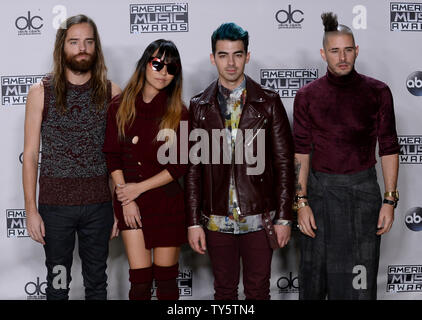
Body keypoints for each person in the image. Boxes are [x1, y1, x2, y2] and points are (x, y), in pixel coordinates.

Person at [293, 12, 400, 300]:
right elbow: (301, 152)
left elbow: (388, 147)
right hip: (319, 195)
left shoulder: (378, 92)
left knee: (359, 287)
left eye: (348, 50)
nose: (342, 57)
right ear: (323, 53)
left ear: (356, 50)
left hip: (363, 196)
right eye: (335, 50)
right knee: (314, 283)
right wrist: (301, 202)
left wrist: (389, 200)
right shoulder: (307, 96)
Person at [186, 22, 295, 300]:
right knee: (224, 291)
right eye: (223, 55)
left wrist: (284, 216)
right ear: (213, 58)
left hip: (259, 218)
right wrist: (193, 222)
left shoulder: (268, 102)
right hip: (216, 219)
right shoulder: (200, 105)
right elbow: (194, 170)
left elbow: (284, 164)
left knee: (258, 291)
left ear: (247, 56)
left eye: (237, 54)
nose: (231, 62)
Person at [23, 14, 121, 300]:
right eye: (75, 42)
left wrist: (116, 206)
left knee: (96, 284)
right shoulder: (41, 92)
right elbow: (30, 155)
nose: (82, 48)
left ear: (96, 47)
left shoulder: (111, 92)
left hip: (99, 207)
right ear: (62, 47)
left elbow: (117, 156)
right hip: (55, 211)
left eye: (88, 42)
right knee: (57, 284)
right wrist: (31, 210)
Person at [103, 39, 188, 300]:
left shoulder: (180, 113)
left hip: (166, 203)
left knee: (166, 281)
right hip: (131, 204)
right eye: (157, 64)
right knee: (139, 283)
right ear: (144, 64)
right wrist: (125, 198)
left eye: (170, 68)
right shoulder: (119, 106)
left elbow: (179, 164)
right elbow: (113, 157)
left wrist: (137, 189)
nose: (163, 72)